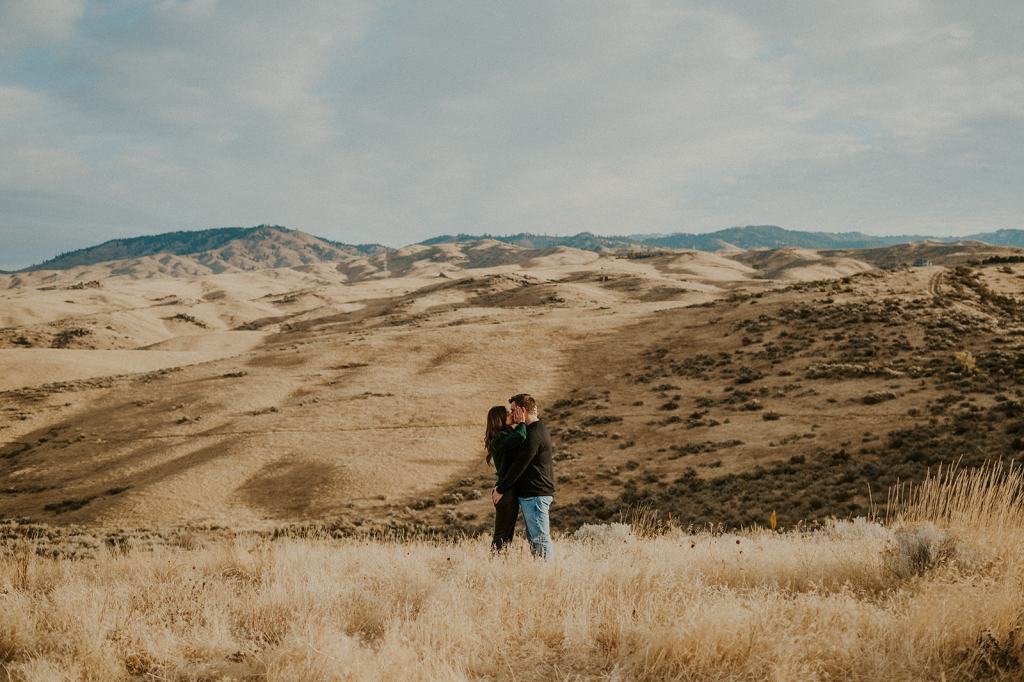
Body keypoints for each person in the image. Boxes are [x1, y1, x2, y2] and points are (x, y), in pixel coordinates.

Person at [492, 394, 555, 558]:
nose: (512, 414)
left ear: (521, 410)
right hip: (533, 493)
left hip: (535, 493)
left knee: (539, 538)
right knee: (535, 538)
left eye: (513, 410)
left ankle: (546, 573)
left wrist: (501, 488)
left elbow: (519, 465)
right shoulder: (535, 429)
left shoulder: (533, 433)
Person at [484, 404, 527, 551]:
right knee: (502, 535)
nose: (511, 414)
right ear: (500, 419)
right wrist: (522, 422)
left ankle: (502, 562)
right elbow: (520, 436)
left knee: (507, 534)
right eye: (508, 413)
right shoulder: (499, 439)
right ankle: (495, 564)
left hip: (508, 491)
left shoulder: (507, 434)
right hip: (505, 492)